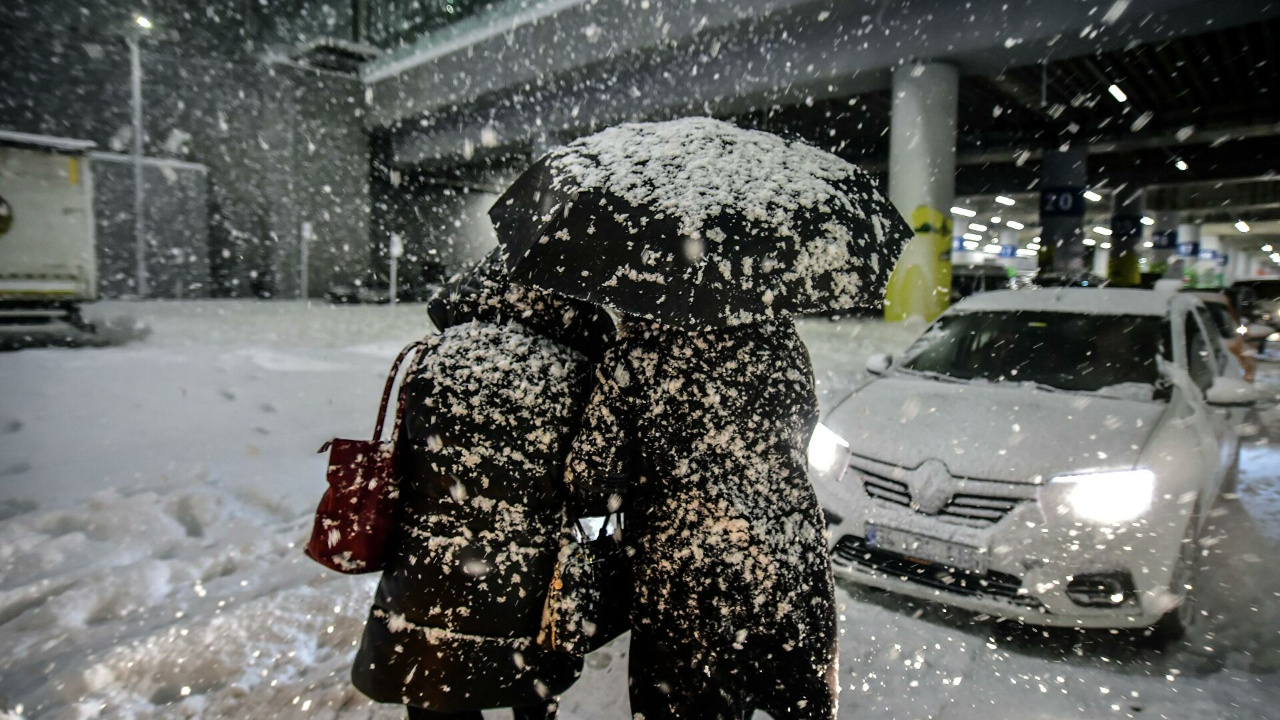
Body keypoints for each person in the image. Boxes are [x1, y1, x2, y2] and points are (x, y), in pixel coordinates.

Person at [351, 249, 613, 720]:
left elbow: (410, 462)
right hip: (525, 579)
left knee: (433, 685)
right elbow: (589, 484)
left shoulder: (434, 356)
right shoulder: (575, 372)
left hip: (428, 569)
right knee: (528, 689)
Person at [565, 317, 838, 720]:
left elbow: (591, 476)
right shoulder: (782, 345)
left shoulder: (634, 358)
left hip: (685, 579)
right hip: (787, 565)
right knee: (796, 700)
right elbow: (800, 431)